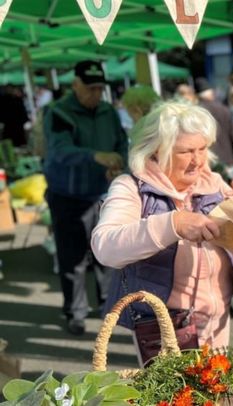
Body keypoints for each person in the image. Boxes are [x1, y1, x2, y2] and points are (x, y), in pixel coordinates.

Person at [91, 102, 233, 349]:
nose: (198, 161)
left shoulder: (214, 182)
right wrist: (173, 224)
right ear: (157, 150)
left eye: (202, 149)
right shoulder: (131, 187)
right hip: (165, 327)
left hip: (218, 319)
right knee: (182, 388)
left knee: (220, 385)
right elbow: (105, 247)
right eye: (186, 151)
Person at [43, 60, 127, 335]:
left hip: (102, 194)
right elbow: (59, 151)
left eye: (100, 88)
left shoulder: (108, 112)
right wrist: (95, 156)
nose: (96, 94)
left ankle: (109, 308)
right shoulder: (59, 113)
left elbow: (120, 143)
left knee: (107, 256)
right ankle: (76, 311)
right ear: (75, 84)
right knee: (73, 259)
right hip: (67, 196)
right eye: (90, 88)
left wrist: (118, 164)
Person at [193, 78, 233, 168]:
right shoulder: (224, 110)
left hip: (208, 162)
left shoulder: (196, 112)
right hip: (228, 159)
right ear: (211, 93)